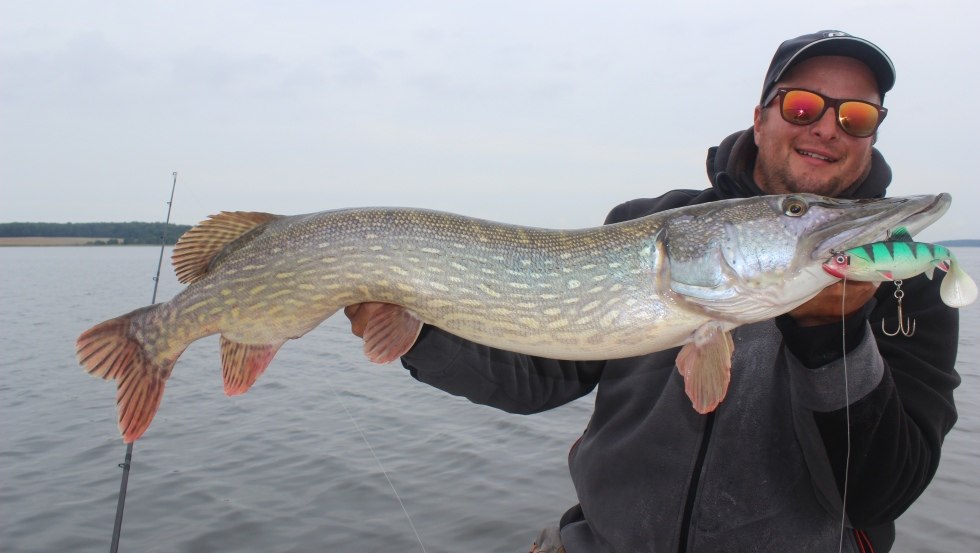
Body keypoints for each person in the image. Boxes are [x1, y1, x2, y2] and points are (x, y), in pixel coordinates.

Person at [344, 31, 960, 552]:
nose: (827, 127)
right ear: (761, 116)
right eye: (803, 106)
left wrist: (834, 341)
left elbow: (882, 492)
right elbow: (534, 375)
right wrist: (418, 332)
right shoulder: (648, 221)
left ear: (871, 134)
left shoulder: (904, 285)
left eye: (855, 116)